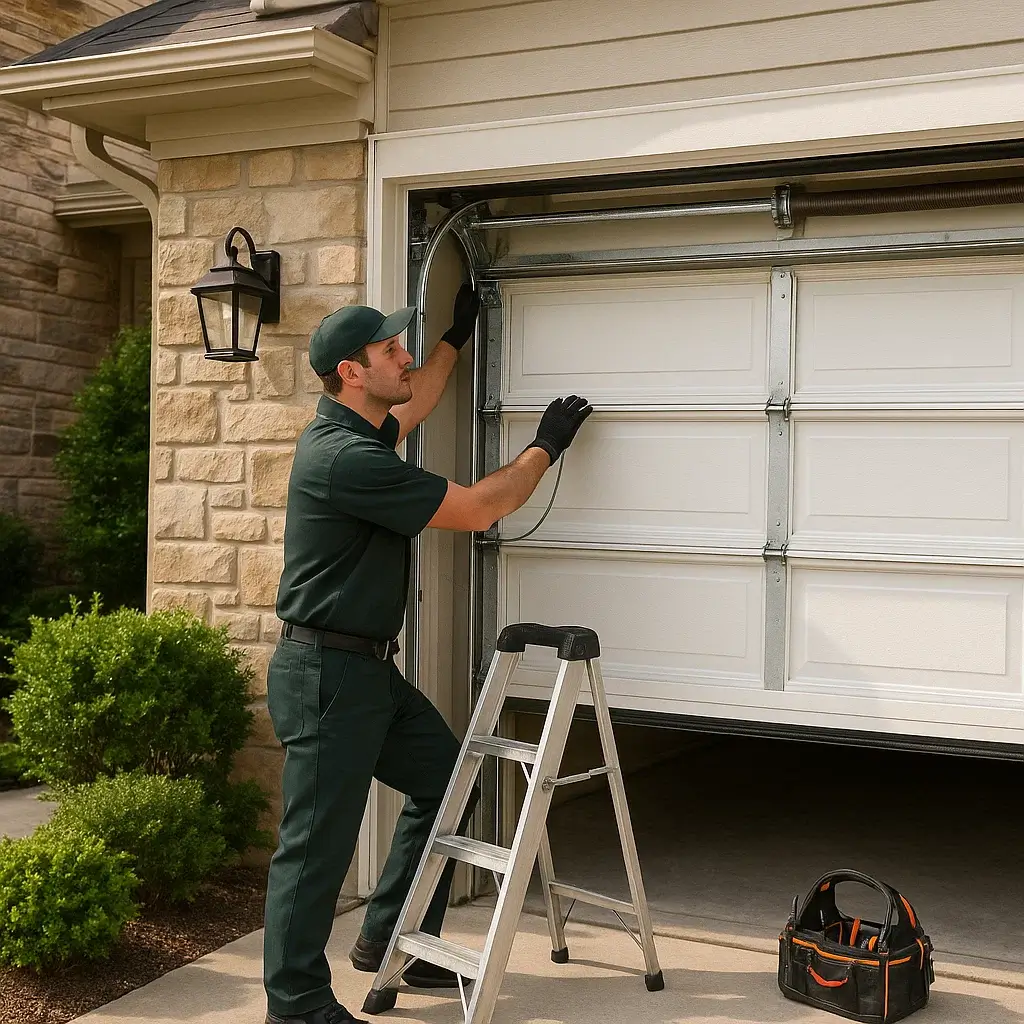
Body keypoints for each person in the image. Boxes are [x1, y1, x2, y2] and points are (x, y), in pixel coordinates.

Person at [262, 283, 593, 1024]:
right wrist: (546, 446)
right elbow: (478, 507)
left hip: (368, 670)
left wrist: (455, 338)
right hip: (326, 676)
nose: (402, 356)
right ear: (352, 372)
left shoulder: (362, 431)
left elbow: (416, 403)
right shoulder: (345, 459)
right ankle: (294, 1005)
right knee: (314, 849)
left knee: (447, 781)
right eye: (389, 350)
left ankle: (392, 942)